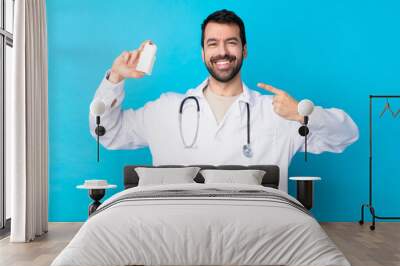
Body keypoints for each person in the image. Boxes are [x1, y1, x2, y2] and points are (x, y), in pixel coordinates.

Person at [89, 9, 359, 192]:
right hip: (179, 231)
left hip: (257, 234)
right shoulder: (165, 108)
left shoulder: (278, 111)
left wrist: (302, 115)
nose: (222, 52)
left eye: (231, 43)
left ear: (244, 50)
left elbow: (347, 135)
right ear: (203, 52)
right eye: (212, 43)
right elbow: (107, 135)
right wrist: (114, 79)